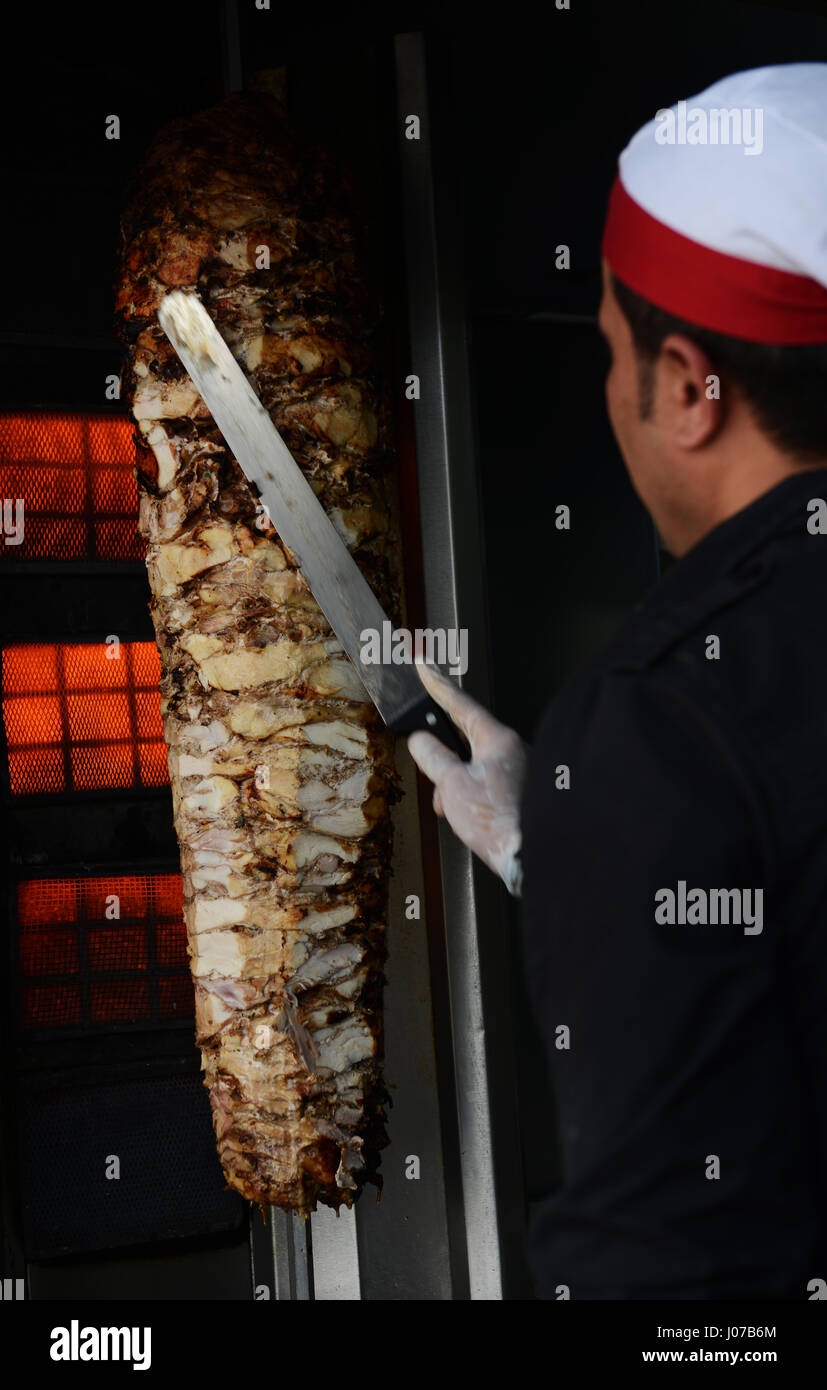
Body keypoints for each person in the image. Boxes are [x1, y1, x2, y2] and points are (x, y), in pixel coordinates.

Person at [408, 64, 827, 1300]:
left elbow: (672, 1291)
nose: (605, 395)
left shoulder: (662, 714)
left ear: (689, 386)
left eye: (608, 353)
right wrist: (571, 854)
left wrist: (627, 815)